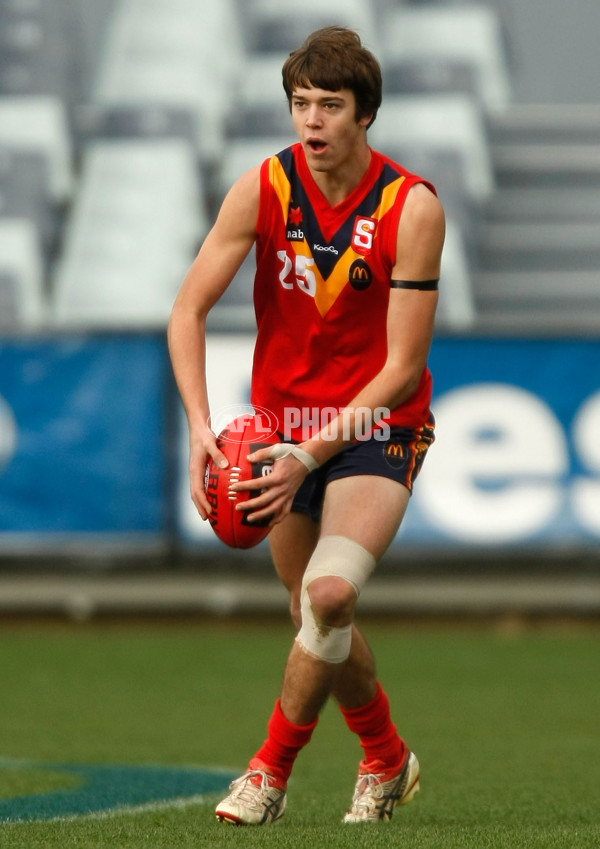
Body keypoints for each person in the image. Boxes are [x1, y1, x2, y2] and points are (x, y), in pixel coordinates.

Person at [168, 25, 445, 825]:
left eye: (331, 104)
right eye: (300, 103)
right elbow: (187, 310)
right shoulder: (263, 188)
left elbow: (399, 368)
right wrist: (201, 426)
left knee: (327, 593)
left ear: (366, 115)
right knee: (313, 614)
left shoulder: (411, 207)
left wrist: (307, 453)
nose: (312, 121)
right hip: (280, 423)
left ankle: (267, 772)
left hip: (374, 425)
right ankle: (388, 758)